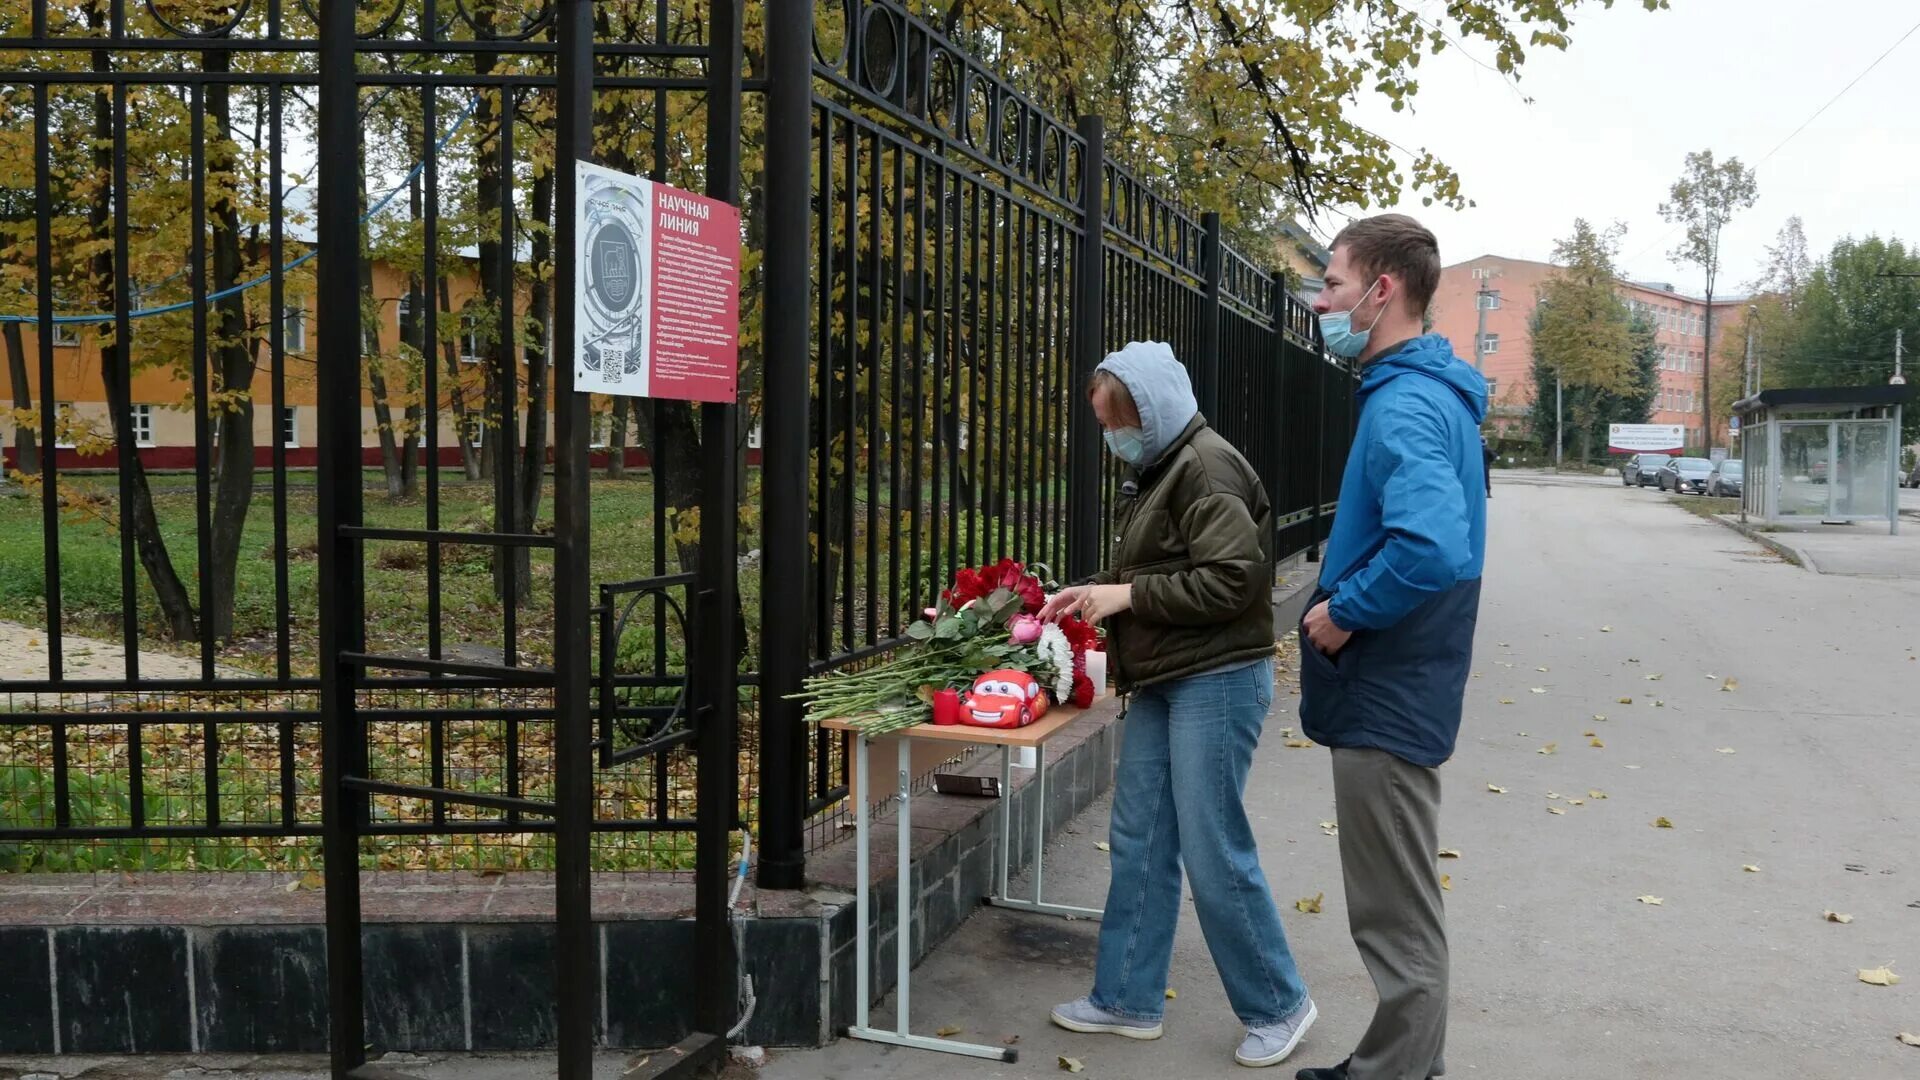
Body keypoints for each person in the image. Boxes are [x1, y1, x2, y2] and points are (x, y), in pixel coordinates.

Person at [1041, 340, 1317, 1070]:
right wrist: (1093, 588)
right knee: (1141, 838)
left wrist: (1124, 595)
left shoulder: (1205, 467)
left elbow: (1232, 582)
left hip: (1217, 679)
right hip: (1173, 674)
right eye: (1105, 424)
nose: (1110, 438)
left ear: (1150, 412)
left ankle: (1279, 1004)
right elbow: (1161, 567)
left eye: (1115, 422)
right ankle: (1127, 998)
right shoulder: (1166, 465)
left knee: (1211, 847)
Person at [1294, 214, 1488, 1080]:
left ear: (1383, 292)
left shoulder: (1406, 402)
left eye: (1332, 284)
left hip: (1387, 681)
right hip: (1403, 677)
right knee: (1399, 904)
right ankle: (1406, 1065)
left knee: (1393, 914)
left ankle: (1395, 1075)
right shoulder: (1424, 391)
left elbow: (1432, 545)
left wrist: (1344, 612)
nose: (1320, 301)